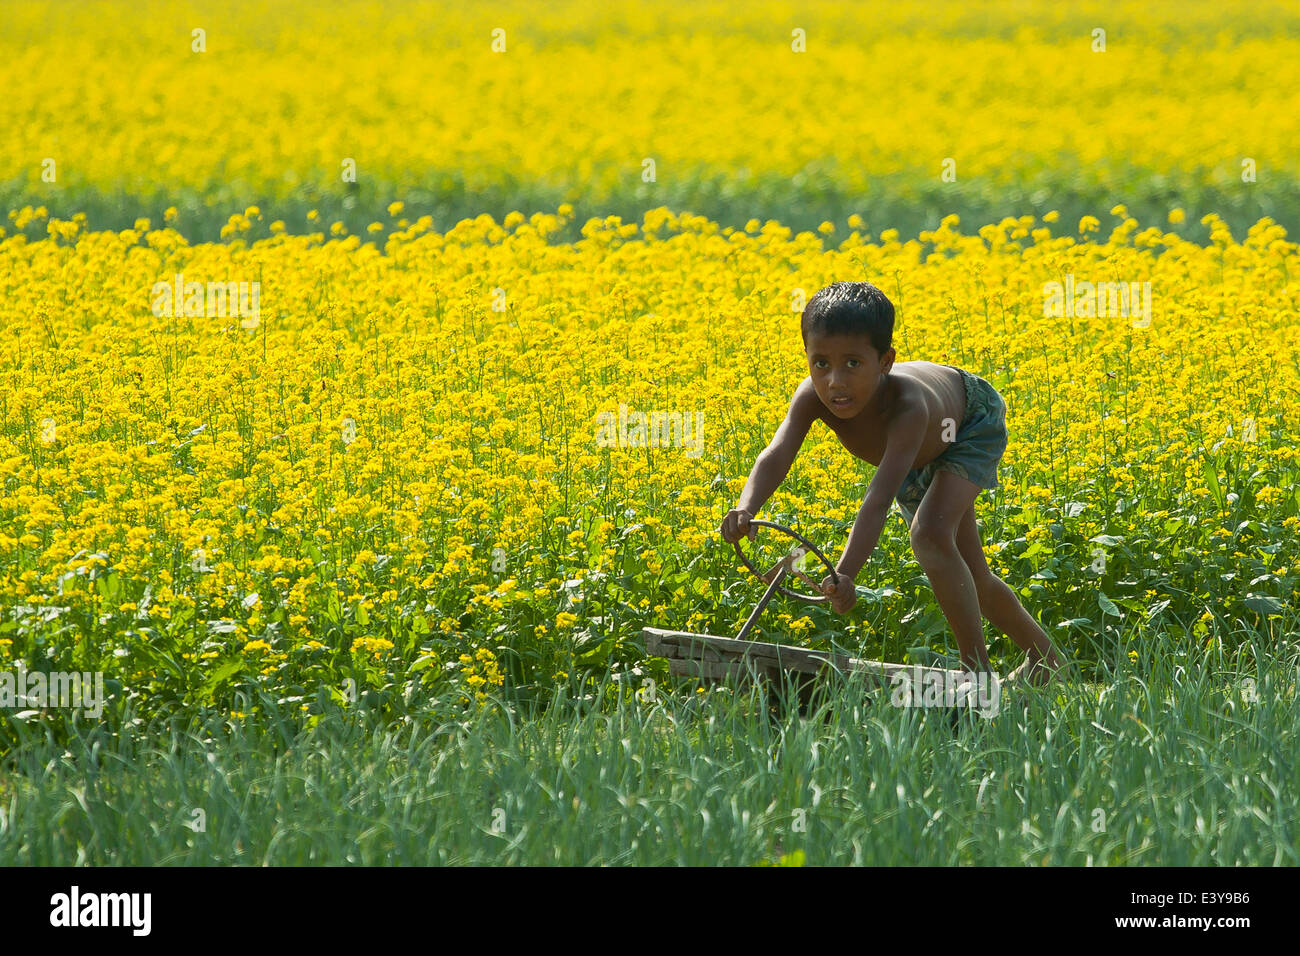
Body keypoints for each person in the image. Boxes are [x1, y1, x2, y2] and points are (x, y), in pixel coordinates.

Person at [719, 281, 1065, 685]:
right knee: (970, 571)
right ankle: (1047, 661)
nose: (835, 381)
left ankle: (976, 671)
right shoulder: (811, 397)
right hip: (917, 456)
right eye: (820, 364)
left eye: (852, 363)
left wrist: (843, 573)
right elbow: (777, 454)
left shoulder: (907, 406)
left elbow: (877, 499)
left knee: (932, 535)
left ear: (885, 362)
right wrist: (746, 507)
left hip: (967, 423)